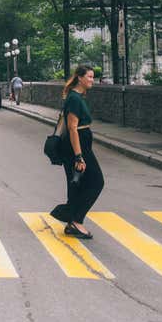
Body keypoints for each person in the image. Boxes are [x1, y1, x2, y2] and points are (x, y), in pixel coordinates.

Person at [51, 65, 105, 239]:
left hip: (81, 144)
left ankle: (72, 219)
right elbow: (73, 128)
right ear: (80, 78)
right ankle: (74, 219)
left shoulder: (77, 97)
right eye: (89, 77)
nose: (92, 80)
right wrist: (78, 156)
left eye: (93, 77)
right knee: (97, 181)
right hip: (77, 146)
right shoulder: (74, 98)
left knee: (79, 184)